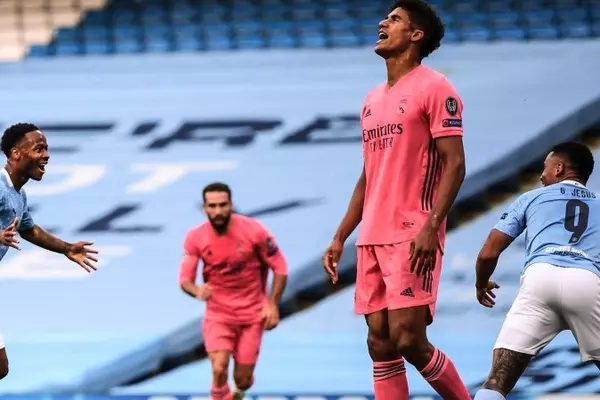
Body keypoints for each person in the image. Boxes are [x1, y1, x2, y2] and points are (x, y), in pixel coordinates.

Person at [322, 1, 471, 399]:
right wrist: (341, 235)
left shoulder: (435, 87)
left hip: (412, 231)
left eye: (394, 19)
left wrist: (431, 226)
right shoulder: (372, 99)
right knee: (380, 342)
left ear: (416, 35)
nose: (382, 22)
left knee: (408, 339)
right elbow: (369, 174)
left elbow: (455, 164)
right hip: (372, 234)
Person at [473, 142, 600, 400]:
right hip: (587, 283)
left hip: (538, 281)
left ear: (559, 168)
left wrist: (481, 283)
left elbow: (488, 253)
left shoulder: (531, 198)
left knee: (496, 382)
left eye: (545, 167)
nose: (542, 175)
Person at [0, 122, 99, 380]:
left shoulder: (17, 195)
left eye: (46, 149)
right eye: (39, 149)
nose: (46, 155)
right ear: (16, 153)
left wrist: (67, 248)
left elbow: (29, 229)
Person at [179, 182, 288, 400]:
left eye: (223, 205)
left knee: (243, 379)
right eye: (212, 206)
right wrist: (197, 291)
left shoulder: (254, 231)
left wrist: (272, 305)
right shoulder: (195, 237)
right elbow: (185, 280)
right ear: (204, 208)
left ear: (231, 204)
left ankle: (237, 393)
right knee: (219, 368)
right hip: (219, 315)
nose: (218, 211)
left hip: (252, 315)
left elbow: (280, 267)